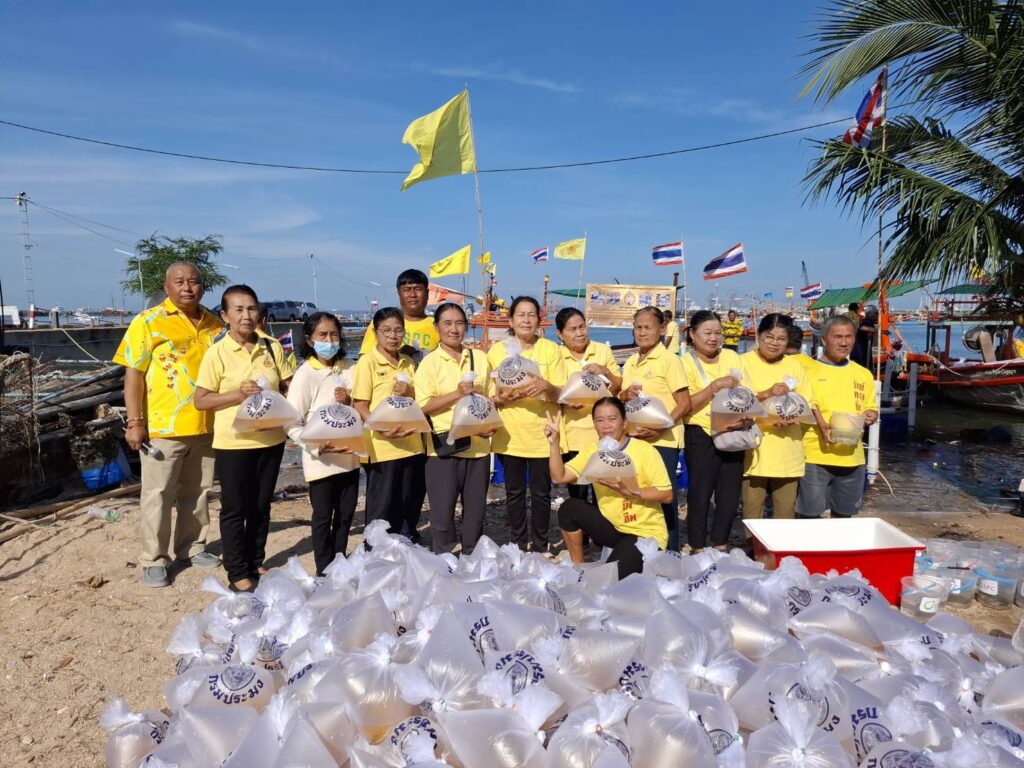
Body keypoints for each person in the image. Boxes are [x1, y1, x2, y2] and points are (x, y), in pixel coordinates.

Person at [113, 262, 223, 588]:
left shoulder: (215, 324)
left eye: (194, 281)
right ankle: (154, 558)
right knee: (157, 495)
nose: (187, 287)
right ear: (166, 286)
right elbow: (133, 374)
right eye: (180, 281)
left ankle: (192, 547)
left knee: (198, 492)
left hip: (206, 425)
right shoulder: (147, 322)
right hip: (163, 427)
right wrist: (135, 422)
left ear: (203, 286)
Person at [194, 285, 294, 593]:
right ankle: (237, 569)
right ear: (224, 316)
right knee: (236, 507)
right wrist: (237, 394)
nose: (246, 315)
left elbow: (290, 386)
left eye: (251, 308)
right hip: (234, 443)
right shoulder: (217, 352)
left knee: (262, 505)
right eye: (238, 309)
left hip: (271, 440)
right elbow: (201, 400)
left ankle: (256, 559)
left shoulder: (272, 347)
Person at [546, 398, 671, 578]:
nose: (606, 425)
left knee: (608, 580)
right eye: (599, 420)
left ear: (625, 422)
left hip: (645, 534)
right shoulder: (593, 451)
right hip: (613, 528)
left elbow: (666, 494)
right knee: (569, 509)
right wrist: (553, 444)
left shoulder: (644, 450)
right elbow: (559, 477)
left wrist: (632, 492)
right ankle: (579, 567)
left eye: (612, 419)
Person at [488, 296, 568, 553]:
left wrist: (546, 386)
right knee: (514, 493)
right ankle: (518, 544)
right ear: (510, 320)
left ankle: (541, 545)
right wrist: (501, 397)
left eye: (531, 315)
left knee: (542, 493)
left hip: (542, 433)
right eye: (520, 314)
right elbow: (490, 397)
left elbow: (562, 394)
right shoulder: (497, 352)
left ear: (538, 320)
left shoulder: (551, 350)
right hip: (510, 434)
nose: (525, 319)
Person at [415, 303, 494, 554]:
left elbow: (491, 399)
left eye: (459, 323)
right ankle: (445, 556)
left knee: (475, 510)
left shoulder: (479, 358)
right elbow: (423, 407)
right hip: (442, 448)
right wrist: (455, 394)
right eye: (447, 323)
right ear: (437, 327)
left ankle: (472, 555)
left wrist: (489, 427)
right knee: (442, 511)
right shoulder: (429, 363)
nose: (454, 329)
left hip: (478, 446)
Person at [285, 312, 359, 576]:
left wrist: (349, 402)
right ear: (310, 340)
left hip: (349, 458)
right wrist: (316, 447)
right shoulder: (305, 374)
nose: (330, 340)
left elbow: (361, 410)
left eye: (334, 334)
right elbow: (292, 423)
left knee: (346, 513)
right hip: (321, 461)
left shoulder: (351, 368)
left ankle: (340, 560)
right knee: (322, 516)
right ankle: (323, 569)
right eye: (323, 335)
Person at [620, 306, 691, 551]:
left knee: (664, 497)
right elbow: (624, 397)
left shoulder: (669, 360)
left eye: (648, 327)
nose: (642, 332)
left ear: (661, 329)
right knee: (639, 497)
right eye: (638, 327)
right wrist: (623, 393)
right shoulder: (631, 361)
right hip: (636, 441)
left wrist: (661, 428)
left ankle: (670, 551)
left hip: (663, 442)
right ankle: (644, 549)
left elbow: (684, 403)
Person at [352, 307, 426, 540]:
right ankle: (373, 555)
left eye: (398, 330)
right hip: (381, 447)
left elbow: (419, 400)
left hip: (411, 443)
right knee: (381, 508)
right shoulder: (368, 363)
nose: (393, 336)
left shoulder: (407, 362)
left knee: (406, 504)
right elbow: (360, 405)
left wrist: (410, 390)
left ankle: (401, 552)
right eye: (386, 331)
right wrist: (382, 427)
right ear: (375, 333)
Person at [797, 316, 879, 518]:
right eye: (837, 337)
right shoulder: (806, 370)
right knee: (809, 516)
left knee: (844, 516)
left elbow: (871, 407)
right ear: (824, 339)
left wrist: (872, 415)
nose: (843, 342)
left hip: (853, 457)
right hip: (814, 456)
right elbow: (801, 405)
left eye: (848, 337)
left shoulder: (863, 374)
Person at [680, 310, 745, 551]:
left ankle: (720, 544)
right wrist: (713, 387)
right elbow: (686, 404)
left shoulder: (731, 357)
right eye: (707, 333)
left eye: (718, 333)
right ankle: (697, 546)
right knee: (699, 493)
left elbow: (744, 393)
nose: (713, 338)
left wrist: (743, 417)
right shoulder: (684, 362)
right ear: (693, 335)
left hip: (734, 431)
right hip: (701, 433)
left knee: (729, 497)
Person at [739, 313, 813, 523]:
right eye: (769, 337)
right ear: (759, 335)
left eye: (781, 339)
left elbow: (807, 402)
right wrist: (766, 394)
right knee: (752, 509)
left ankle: (783, 553)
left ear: (788, 341)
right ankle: (753, 550)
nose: (774, 343)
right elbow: (734, 402)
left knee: (786, 510)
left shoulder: (795, 366)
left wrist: (791, 418)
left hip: (788, 450)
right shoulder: (743, 362)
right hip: (753, 450)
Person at [555, 307, 622, 505]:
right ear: (560, 334)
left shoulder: (601, 350)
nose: (580, 333)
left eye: (582, 327)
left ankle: (605, 535)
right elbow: (554, 392)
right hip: (573, 436)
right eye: (573, 329)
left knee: (607, 495)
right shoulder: (556, 355)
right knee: (579, 496)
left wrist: (605, 372)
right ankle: (581, 536)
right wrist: (566, 400)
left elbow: (618, 388)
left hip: (605, 436)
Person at [359, 269, 438, 364]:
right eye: (406, 290)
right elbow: (364, 358)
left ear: (427, 293)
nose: (412, 295)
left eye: (418, 289)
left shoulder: (438, 326)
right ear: (399, 294)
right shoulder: (382, 321)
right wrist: (397, 354)